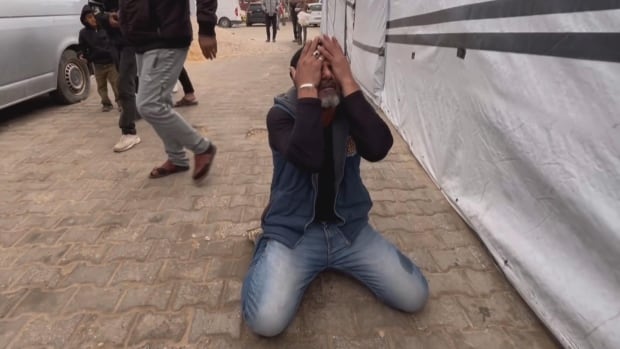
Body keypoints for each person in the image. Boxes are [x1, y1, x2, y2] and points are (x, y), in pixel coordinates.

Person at [241, 36, 429, 337]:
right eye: (315, 67)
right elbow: (309, 156)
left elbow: (379, 147)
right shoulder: (280, 115)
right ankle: (265, 246)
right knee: (266, 322)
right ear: (295, 75)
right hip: (296, 234)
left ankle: (330, 259)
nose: (326, 74)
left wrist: (348, 78)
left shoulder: (349, 110)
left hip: (348, 231)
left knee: (414, 295)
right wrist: (307, 90)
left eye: (332, 66)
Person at [119, 0, 218, 181]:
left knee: (148, 105)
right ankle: (177, 159)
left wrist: (206, 28)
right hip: (142, 40)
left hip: (166, 37)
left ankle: (202, 148)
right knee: (159, 104)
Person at [89, 0, 142, 153]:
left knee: (124, 84)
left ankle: (128, 131)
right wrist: (106, 17)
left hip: (135, 39)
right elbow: (95, 10)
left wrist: (125, 17)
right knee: (131, 79)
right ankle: (139, 110)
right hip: (115, 42)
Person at [78, 5, 119, 112]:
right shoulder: (83, 33)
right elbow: (82, 48)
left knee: (116, 84)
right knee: (101, 87)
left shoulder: (106, 28)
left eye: (93, 16)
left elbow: (113, 43)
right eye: (89, 18)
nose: (92, 19)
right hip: (98, 65)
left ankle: (121, 103)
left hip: (111, 63)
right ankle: (106, 104)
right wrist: (83, 55)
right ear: (85, 20)